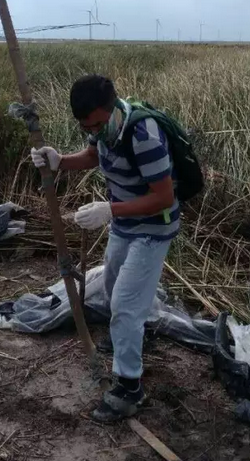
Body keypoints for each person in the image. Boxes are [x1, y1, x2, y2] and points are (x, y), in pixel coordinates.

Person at [31, 74, 179, 422]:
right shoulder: (104, 127)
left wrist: (108, 210)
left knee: (126, 305)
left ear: (108, 109)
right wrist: (60, 161)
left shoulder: (143, 136)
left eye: (96, 124)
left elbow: (164, 197)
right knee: (114, 289)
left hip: (153, 229)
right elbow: (94, 154)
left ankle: (130, 390)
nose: (93, 132)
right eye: (87, 127)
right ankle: (133, 336)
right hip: (125, 224)